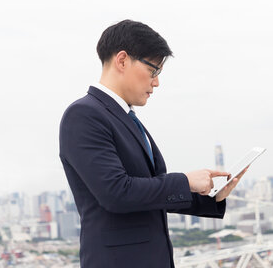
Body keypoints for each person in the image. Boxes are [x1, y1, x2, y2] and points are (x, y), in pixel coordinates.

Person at [59, 20, 246, 268]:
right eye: (153, 71)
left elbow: (149, 194)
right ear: (122, 60)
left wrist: (211, 197)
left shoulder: (126, 118)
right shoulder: (84, 115)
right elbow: (116, 193)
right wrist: (186, 181)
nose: (156, 83)